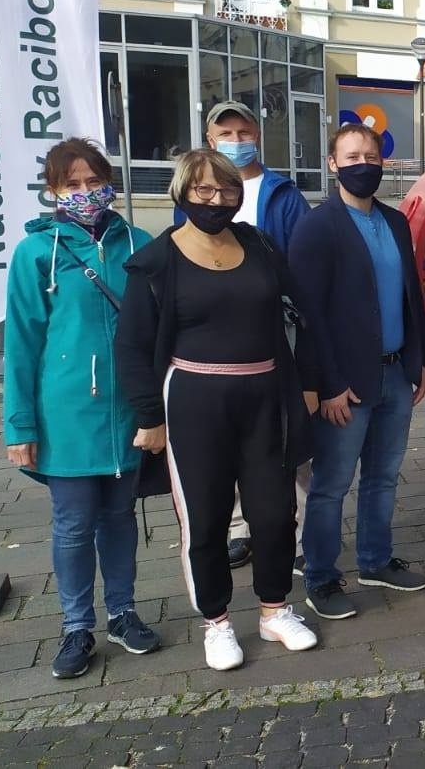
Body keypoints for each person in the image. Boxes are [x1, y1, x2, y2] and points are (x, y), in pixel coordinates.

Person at [114, 148, 319, 671]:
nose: (217, 200)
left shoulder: (259, 243)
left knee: (275, 514)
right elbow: (133, 346)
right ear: (182, 193)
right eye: (204, 190)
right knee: (204, 519)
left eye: (227, 190)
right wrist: (148, 418)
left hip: (265, 398)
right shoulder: (157, 261)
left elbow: (297, 313)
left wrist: (309, 383)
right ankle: (217, 622)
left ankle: (274, 611)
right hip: (194, 404)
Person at [3, 138, 160, 680]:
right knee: (72, 526)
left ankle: (123, 613)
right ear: (53, 191)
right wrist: (19, 424)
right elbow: (22, 344)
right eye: (73, 184)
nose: (86, 192)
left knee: (119, 518)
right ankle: (76, 627)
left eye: (94, 181)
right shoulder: (34, 254)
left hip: (127, 413)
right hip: (64, 417)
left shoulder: (138, 244)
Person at [290, 123, 425, 621]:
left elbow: (410, 296)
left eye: (371, 155)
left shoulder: (394, 222)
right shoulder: (316, 226)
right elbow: (308, 315)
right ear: (333, 164)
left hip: (395, 373)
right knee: (331, 484)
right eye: (352, 156)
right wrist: (326, 384)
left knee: (384, 477)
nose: (363, 164)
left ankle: (374, 561)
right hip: (344, 385)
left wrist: (421, 360)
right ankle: (322, 578)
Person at [187, 101, 312, 571]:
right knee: (234, 432)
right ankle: (240, 526)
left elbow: (303, 266)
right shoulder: (203, 192)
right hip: (220, 334)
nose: (236, 141)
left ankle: (294, 532)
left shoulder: (283, 194)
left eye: (243, 132)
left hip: (279, 328)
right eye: (227, 133)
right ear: (210, 137)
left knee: (288, 429)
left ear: (257, 134)